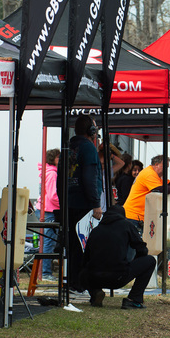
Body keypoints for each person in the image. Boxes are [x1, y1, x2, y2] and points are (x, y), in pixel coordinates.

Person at [80, 204, 157, 309]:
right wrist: (134, 262)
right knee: (150, 261)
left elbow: (85, 259)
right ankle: (133, 299)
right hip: (118, 276)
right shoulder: (127, 225)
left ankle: (95, 292)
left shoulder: (96, 230)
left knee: (84, 272)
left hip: (94, 278)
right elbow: (142, 249)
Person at [66, 115, 103, 294]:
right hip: (85, 204)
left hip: (71, 202)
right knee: (84, 246)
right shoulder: (88, 148)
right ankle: (79, 284)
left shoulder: (70, 147)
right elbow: (89, 178)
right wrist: (96, 204)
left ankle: (74, 282)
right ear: (92, 131)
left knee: (74, 246)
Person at [123, 155, 170, 229]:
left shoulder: (155, 175)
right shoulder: (149, 173)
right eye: (164, 167)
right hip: (134, 216)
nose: (166, 169)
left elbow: (169, 184)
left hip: (139, 216)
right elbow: (160, 190)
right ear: (156, 164)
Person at [38, 149, 61, 281]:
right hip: (50, 210)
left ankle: (45, 271)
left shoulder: (46, 171)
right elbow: (53, 196)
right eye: (59, 157)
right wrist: (63, 204)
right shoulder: (52, 174)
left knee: (47, 241)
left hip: (45, 208)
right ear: (54, 159)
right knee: (49, 242)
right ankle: (46, 272)